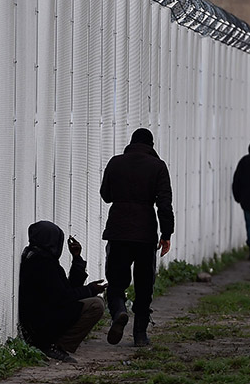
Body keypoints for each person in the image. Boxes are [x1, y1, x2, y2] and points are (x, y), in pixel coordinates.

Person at [99, 127, 174, 348]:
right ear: (151, 146)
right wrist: (166, 234)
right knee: (144, 284)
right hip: (145, 234)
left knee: (116, 281)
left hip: (118, 230)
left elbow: (106, 195)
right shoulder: (158, 167)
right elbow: (164, 203)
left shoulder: (115, 162)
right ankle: (140, 334)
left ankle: (119, 311)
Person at [17, 220, 106, 363]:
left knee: (95, 301)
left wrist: (77, 259)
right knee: (96, 305)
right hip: (40, 322)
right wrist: (90, 290)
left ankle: (53, 344)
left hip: (43, 316)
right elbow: (63, 297)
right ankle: (53, 346)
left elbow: (66, 289)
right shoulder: (42, 264)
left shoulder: (38, 257)